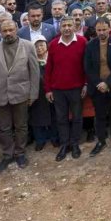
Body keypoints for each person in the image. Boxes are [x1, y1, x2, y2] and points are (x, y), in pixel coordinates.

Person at [0, 19, 39, 172]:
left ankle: (20, 153)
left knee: (21, 126)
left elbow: (34, 72)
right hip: (0, 96)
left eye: (11, 30)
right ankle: (7, 155)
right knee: (4, 128)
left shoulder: (28, 46)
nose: (8, 33)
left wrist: (33, 94)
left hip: (22, 94)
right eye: (4, 31)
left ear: (17, 29)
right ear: (0, 32)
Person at [44, 17, 87, 161]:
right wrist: (48, 89)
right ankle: (64, 144)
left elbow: (87, 66)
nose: (67, 28)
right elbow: (49, 68)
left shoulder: (82, 42)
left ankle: (75, 143)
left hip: (76, 87)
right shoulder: (53, 44)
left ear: (74, 26)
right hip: (58, 89)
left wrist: (86, 84)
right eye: (64, 26)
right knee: (61, 118)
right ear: (59, 28)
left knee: (77, 117)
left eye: (70, 25)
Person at [84, 17, 111, 155]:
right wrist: (98, 83)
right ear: (95, 30)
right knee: (99, 115)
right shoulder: (90, 45)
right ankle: (101, 140)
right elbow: (87, 67)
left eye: (104, 29)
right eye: (99, 30)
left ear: (109, 29)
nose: (101, 32)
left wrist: (107, 83)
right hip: (97, 86)